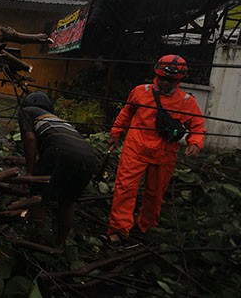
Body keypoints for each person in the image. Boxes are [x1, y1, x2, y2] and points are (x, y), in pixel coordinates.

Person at [105, 54, 205, 242]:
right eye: (163, 79)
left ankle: (146, 227)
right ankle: (119, 229)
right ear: (156, 75)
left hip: (164, 154)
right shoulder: (140, 92)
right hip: (135, 148)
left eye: (171, 80)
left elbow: (197, 126)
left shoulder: (186, 102)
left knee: (155, 193)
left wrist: (195, 143)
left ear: (179, 80)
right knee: (125, 188)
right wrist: (115, 134)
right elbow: (125, 114)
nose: (166, 83)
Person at [18, 91, 99, 246]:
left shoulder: (26, 111)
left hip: (59, 153)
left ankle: (35, 242)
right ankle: (58, 246)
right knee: (67, 202)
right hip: (89, 157)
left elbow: (29, 139)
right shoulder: (60, 121)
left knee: (38, 196)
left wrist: (29, 173)